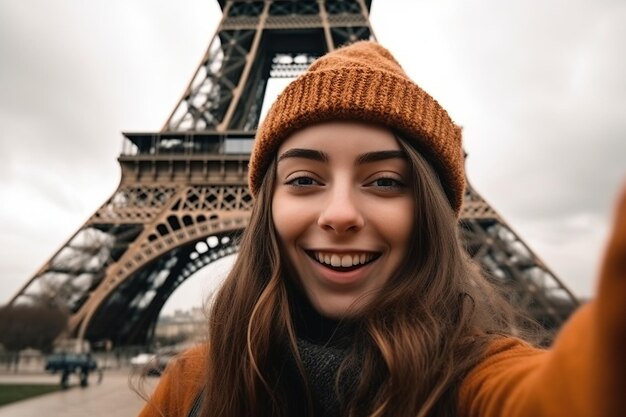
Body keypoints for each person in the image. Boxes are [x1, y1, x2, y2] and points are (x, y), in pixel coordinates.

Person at [138, 41, 626, 417]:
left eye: (386, 181)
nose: (341, 213)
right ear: (268, 206)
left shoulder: (478, 380)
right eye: (304, 179)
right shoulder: (188, 382)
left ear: (428, 213)